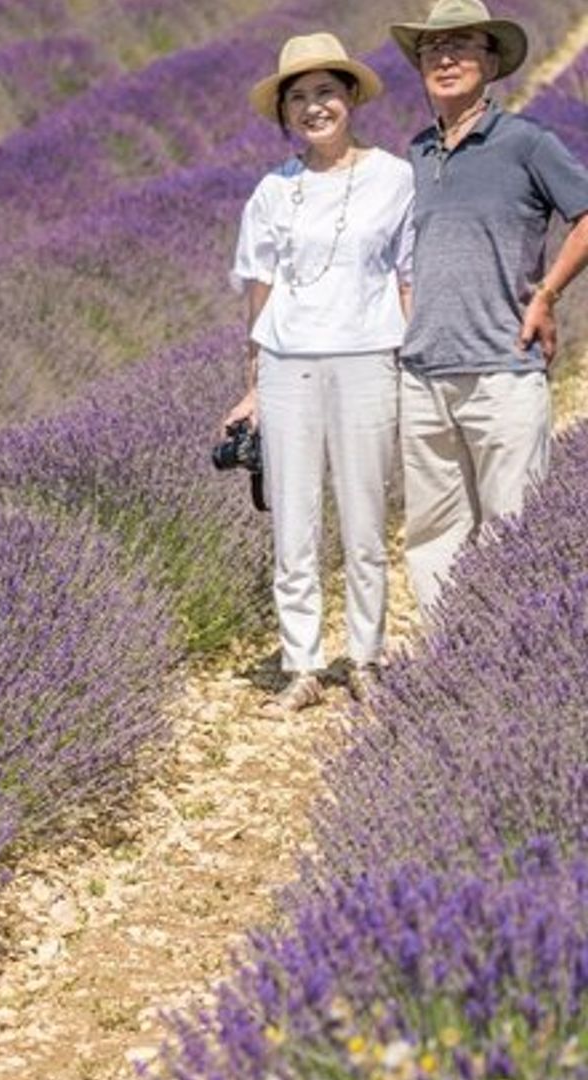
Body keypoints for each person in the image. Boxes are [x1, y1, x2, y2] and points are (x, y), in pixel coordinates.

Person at [225, 32, 416, 714]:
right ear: (285, 115)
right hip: (288, 366)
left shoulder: (396, 177)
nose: (314, 107)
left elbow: (408, 277)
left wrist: (412, 357)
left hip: (368, 358)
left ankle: (365, 656)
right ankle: (302, 664)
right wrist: (251, 385)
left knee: (365, 519)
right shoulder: (273, 192)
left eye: (325, 93)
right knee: (294, 523)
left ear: (351, 99)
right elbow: (259, 289)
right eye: (298, 98)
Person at [389, 0, 588, 613]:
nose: (445, 58)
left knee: (515, 528)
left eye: (463, 45)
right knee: (432, 536)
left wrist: (547, 294)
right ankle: (447, 657)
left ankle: (525, 652)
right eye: (431, 49)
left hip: (503, 367)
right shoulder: (416, 152)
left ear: (492, 60)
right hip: (423, 374)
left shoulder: (527, 142)